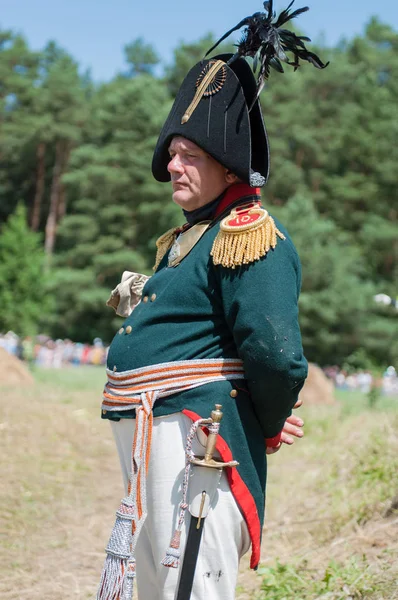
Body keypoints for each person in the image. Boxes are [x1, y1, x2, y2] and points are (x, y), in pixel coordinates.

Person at [97, 3, 327, 599]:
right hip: (157, 433)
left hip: (198, 441)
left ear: (228, 167)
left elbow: (275, 355)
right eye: (172, 152)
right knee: (156, 584)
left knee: (191, 586)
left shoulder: (249, 235)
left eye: (190, 155)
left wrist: (267, 422)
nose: (173, 165)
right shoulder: (187, 240)